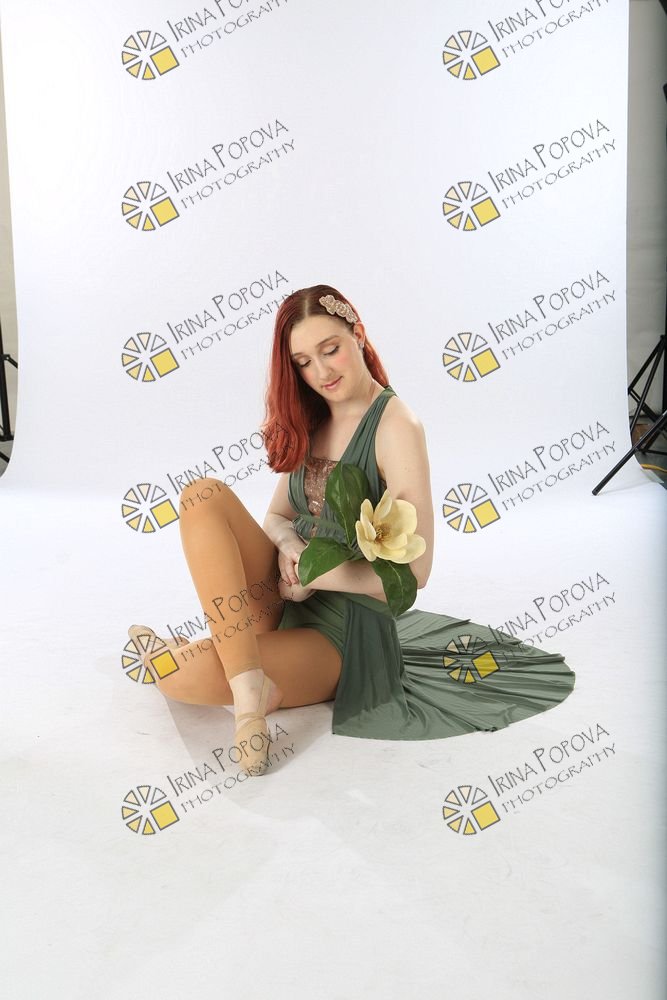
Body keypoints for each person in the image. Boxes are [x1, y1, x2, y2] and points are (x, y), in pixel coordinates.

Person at [128, 283, 576, 777]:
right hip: (282, 594)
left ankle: (220, 673)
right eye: (303, 362)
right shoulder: (312, 416)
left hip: (342, 631)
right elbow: (276, 517)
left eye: (331, 350)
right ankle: (248, 685)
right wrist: (290, 547)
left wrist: (315, 575)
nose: (321, 373)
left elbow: (416, 574)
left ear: (358, 335)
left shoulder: (396, 426)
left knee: (178, 673)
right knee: (201, 495)